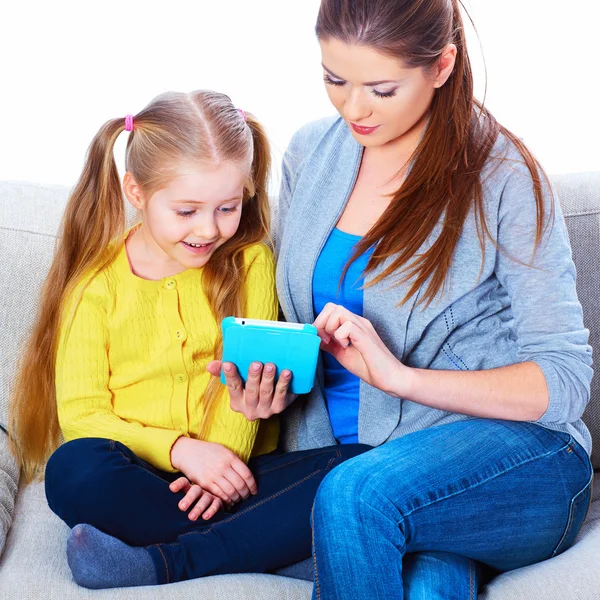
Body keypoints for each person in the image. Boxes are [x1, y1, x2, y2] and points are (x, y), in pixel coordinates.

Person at [240, 0, 593, 598]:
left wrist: (399, 378)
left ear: (442, 65)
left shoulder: (504, 176)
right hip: (359, 466)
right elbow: (293, 323)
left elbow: (563, 382)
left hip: (518, 459)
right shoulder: (311, 152)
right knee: (427, 584)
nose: (354, 108)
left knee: (358, 494)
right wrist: (264, 389)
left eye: (381, 89)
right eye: (334, 79)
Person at [8, 90, 369, 589]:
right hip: (137, 476)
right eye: (186, 211)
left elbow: (239, 390)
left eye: (227, 207)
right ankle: (269, 545)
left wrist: (225, 455)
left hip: (237, 473)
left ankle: (164, 560)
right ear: (136, 193)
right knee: (72, 468)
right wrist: (183, 452)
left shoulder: (251, 264)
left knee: (364, 468)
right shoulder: (96, 283)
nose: (209, 229)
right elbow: (83, 415)